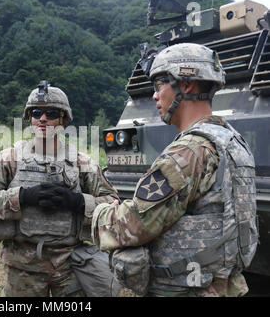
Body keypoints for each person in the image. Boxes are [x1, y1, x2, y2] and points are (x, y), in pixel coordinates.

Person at [92, 43, 258, 297]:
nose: (155, 96)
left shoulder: (188, 151)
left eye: (159, 85)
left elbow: (133, 225)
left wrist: (100, 212)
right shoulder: (232, 141)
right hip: (220, 284)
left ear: (186, 85)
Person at [0, 81, 118, 297]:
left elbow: (113, 205)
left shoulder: (81, 162)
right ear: (29, 119)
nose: (43, 119)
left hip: (70, 265)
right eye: (37, 112)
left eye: (52, 113)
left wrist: (77, 202)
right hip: (23, 268)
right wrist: (22, 197)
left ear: (64, 119)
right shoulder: (10, 159)